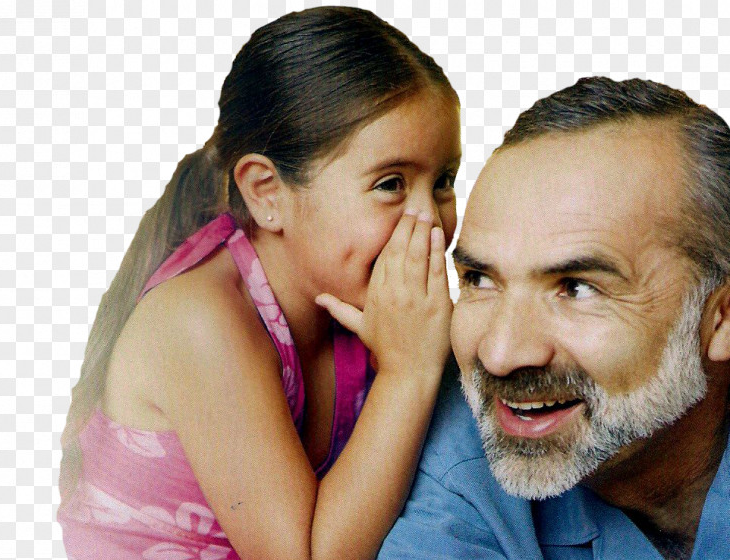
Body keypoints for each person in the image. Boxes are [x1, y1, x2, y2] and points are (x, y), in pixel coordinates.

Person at [57, 6, 462, 560]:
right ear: (267, 193)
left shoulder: (364, 309)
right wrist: (409, 372)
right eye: (391, 184)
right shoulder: (199, 321)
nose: (431, 220)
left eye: (443, 181)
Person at [379, 76, 730, 560]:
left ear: (722, 316)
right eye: (480, 279)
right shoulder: (462, 465)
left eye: (577, 288)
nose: (500, 356)